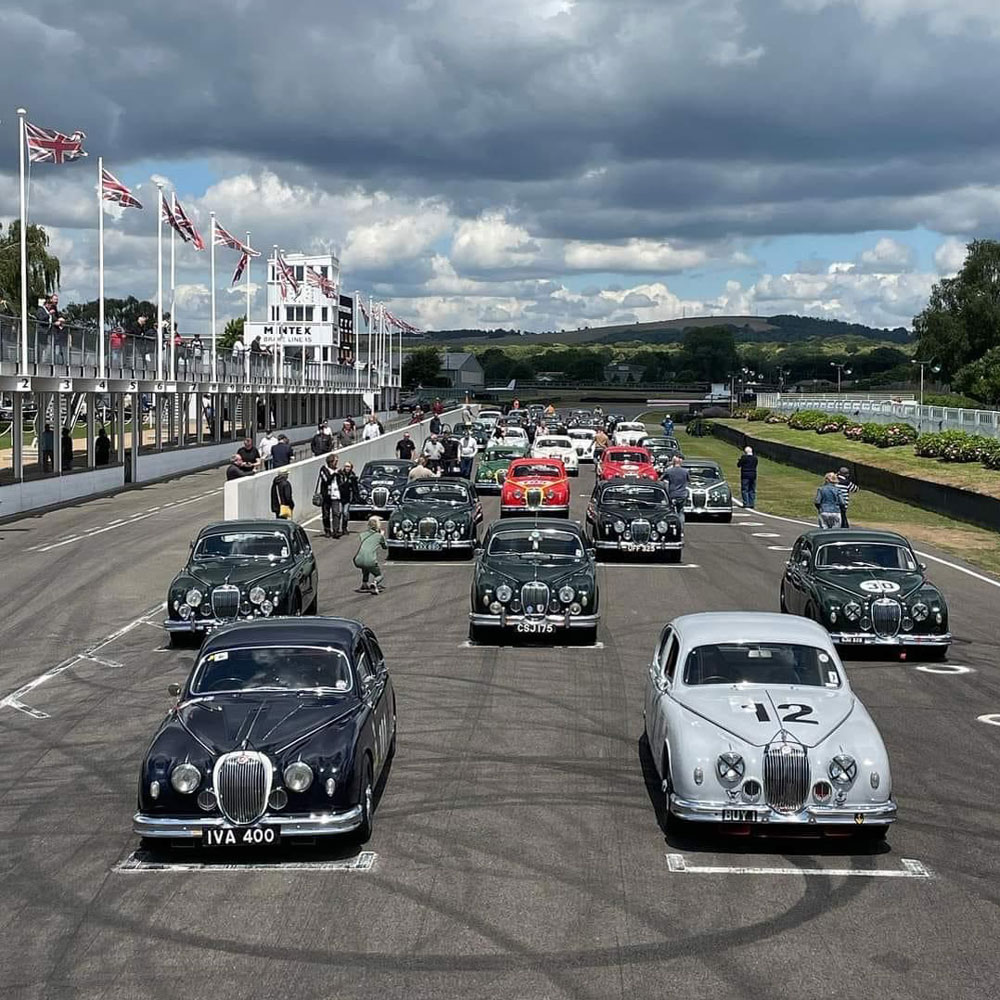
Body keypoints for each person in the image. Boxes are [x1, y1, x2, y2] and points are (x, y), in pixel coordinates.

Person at [353, 516, 388, 594]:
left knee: (365, 568)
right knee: (379, 575)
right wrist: (382, 535)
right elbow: (385, 547)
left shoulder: (363, 534)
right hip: (370, 560)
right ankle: (374, 583)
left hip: (358, 560)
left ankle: (364, 583)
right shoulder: (379, 536)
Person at [317, 454, 342, 537]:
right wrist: (335, 474)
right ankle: (327, 530)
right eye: (335, 461)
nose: (336, 463)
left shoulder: (337, 470)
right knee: (326, 514)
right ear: (331, 462)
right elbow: (327, 480)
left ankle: (336, 531)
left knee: (336, 513)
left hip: (335, 494)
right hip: (326, 496)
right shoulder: (323, 469)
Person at [662, 455, 690, 521]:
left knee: (671, 511)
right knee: (681, 512)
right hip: (682, 495)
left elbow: (661, 479)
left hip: (672, 494)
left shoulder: (669, 471)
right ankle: (681, 529)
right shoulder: (685, 471)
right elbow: (689, 480)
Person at [336, 461, 360, 535]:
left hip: (347, 498)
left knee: (345, 513)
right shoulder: (340, 474)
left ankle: (344, 528)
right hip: (339, 496)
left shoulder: (352, 476)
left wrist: (356, 497)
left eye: (348, 466)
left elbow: (355, 488)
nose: (347, 468)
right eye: (346, 466)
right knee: (339, 512)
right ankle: (336, 529)